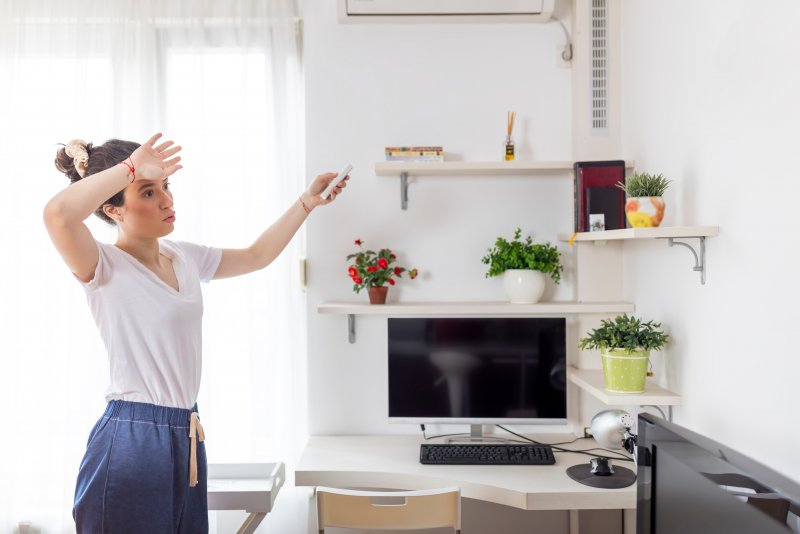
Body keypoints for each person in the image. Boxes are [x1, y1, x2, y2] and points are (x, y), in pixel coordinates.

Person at [43, 133, 347, 533]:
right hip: (131, 438)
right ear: (113, 210)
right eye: (148, 193)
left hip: (186, 432)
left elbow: (257, 256)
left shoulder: (182, 256)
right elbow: (58, 215)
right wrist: (131, 167)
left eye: (165, 187)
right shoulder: (103, 266)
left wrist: (307, 202)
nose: (167, 200)